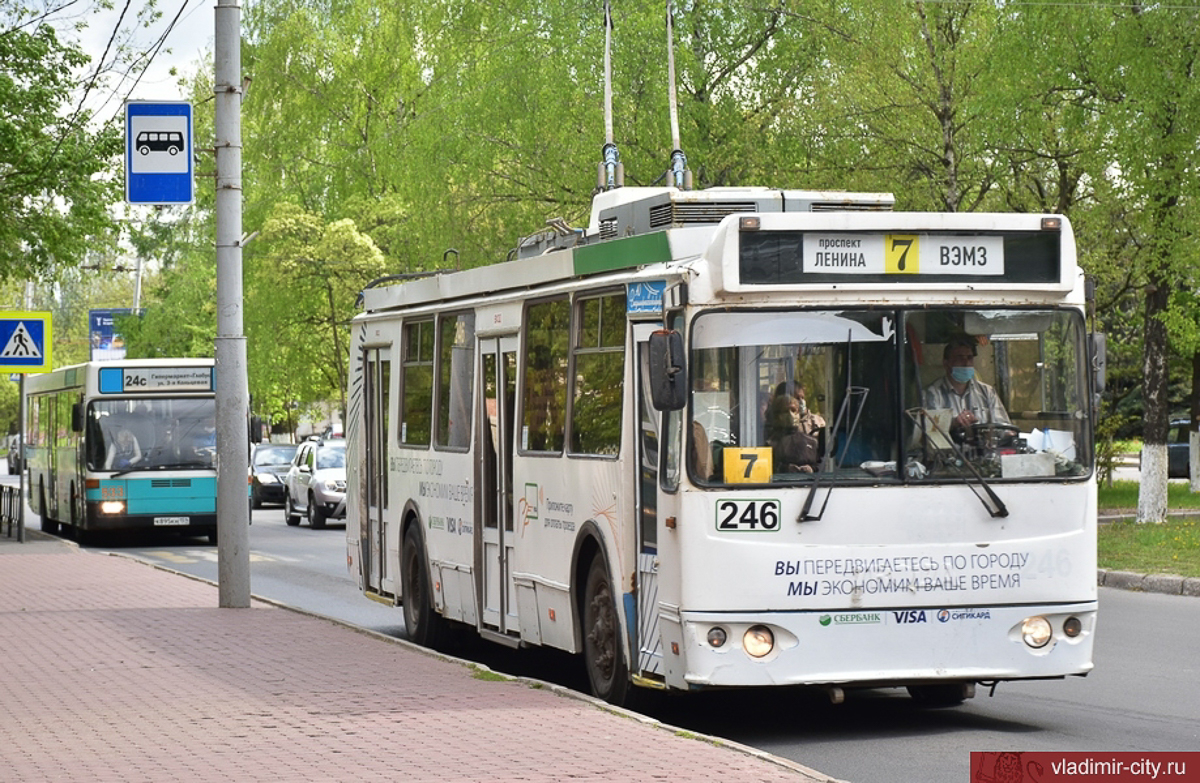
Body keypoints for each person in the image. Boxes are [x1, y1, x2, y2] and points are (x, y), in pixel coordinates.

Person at [922, 334, 1010, 436]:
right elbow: (929, 432)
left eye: (969, 358)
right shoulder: (932, 394)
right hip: (949, 446)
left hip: (982, 446)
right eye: (960, 358)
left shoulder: (987, 392)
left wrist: (1005, 434)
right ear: (946, 363)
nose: (966, 363)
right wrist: (953, 423)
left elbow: (1004, 427)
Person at [765, 394, 820, 474]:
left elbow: (822, 466)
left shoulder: (812, 442)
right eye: (786, 411)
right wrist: (785, 469)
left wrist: (811, 469)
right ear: (778, 416)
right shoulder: (771, 444)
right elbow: (766, 469)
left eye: (794, 411)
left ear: (799, 414)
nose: (791, 415)